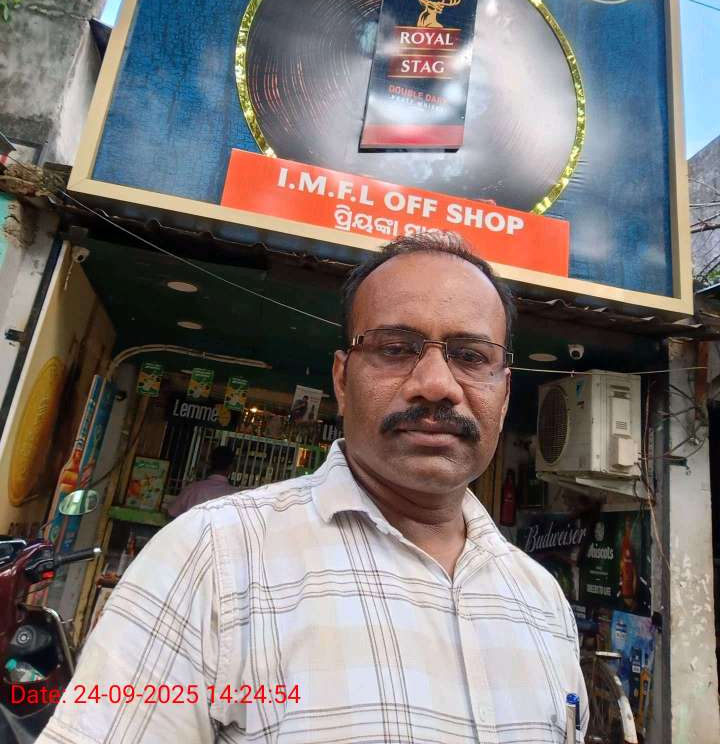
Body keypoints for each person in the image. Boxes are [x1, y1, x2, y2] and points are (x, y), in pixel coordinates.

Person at [37, 233, 588, 744]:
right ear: (342, 381)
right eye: (396, 348)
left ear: (504, 394)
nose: (437, 384)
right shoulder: (212, 560)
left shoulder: (541, 598)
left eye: (471, 356)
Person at [165, 444, 235, 518]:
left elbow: (171, 513)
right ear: (231, 467)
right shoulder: (235, 495)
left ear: (209, 464)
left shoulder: (193, 488)